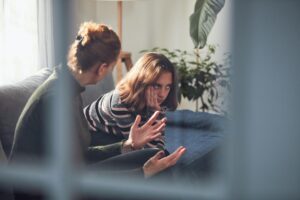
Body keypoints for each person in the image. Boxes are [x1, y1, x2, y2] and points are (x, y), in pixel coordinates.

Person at [9, 22, 185, 199]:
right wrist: (142, 173)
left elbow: (81, 155)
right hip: (45, 191)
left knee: (156, 156)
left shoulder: (68, 88)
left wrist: (128, 145)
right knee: (153, 172)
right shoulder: (56, 101)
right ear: (102, 68)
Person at [84, 52, 178, 151]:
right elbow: (140, 147)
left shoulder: (158, 99)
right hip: (91, 134)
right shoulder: (119, 102)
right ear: (141, 82)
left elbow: (158, 142)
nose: (162, 94)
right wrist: (153, 113)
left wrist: (155, 112)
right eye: (157, 86)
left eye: (167, 87)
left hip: (118, 134)